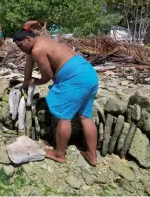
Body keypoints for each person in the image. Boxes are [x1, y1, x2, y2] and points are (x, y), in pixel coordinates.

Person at [12, 28, 99, 166]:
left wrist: (37, 81)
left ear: (28, 39)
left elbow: (47, 76)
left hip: (74, 78)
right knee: (85, 116)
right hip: (89, 74)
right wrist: (25, 82)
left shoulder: (37, 50)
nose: (21, 50)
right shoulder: (42, 41)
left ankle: (59, 154)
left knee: (64, 117)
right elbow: (29, 63)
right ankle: (92, 156)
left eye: (21, 45)